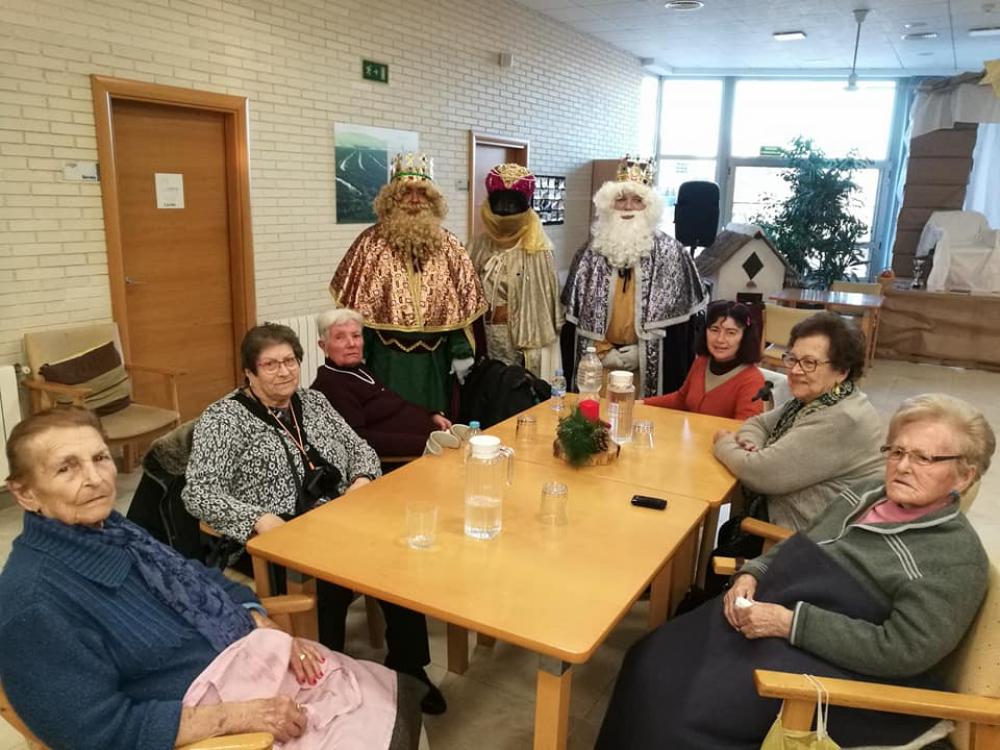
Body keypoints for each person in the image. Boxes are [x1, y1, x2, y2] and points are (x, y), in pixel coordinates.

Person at [0, 407, 417, 750]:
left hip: (244, 658)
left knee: (394, 694)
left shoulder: (112, 530)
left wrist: (260, 619)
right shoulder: (33, 604)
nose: (95, 479)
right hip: (208, 719)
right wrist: (238, 716)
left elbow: (195, 575)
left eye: (100, 458)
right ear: (25, 493)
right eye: (66, 468)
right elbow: (96, 734)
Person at [598, 393, 994, 749]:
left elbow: (902, 650)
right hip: (773, 613)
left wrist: (789, 623)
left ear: (965, 475)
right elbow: (802, 542)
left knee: (683, 712)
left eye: (924, 458)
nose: (903, 467)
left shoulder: (955, 557)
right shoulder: (867, 493)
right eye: (897, 451)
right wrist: (752, 573)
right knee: (649, 656)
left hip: (837, 667)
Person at [183, 323, 445, 714]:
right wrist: (257, 518)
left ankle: (409, 666)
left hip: (335, 515)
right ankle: (328, 676)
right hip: (274, 535)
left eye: (290, 361)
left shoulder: (314, 402)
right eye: (270, 365)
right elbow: (198, 492)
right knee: (331, 575)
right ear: (249, 373)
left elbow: (360, 448)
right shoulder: (223, 420)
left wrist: (362, 478)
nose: (284, 371)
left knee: (396, 554)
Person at [330, 152, 487, 413]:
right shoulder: (369, 244)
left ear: (432, 199)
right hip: (386, 362)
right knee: (387, 422)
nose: (415, 199)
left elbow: (460, 310)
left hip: (434, 364)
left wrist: (460, 352)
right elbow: (354, 311)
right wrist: (358, 353)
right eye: (406, 192)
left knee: (435, 424)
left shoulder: (450, 246)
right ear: (392, 198)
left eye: (422, 193)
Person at [712, 311, 883, 533]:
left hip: (801, 539)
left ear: (841, 371)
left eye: (809, 363)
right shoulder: (817, 400)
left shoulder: (842, 419)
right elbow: (758, 424)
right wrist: (751, 446)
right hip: (789, 521)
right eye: (792, 359)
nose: (794, 370)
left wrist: (723, 442)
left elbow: (760, 473)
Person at [561, 155, 707, 397]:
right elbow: (573, 322)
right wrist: (603, 350)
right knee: (593, 416)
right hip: (599, 366)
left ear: (649, 207)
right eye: (621, 199)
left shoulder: (672, 253)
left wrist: (642, 353)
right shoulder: (589, 254)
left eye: (637, 200)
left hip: (648, 370)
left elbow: (684, 329)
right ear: (609, 204)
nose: (628, 207)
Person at [311, 307, 452, 458]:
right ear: (323, 345)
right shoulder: (331, 384)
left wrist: (430, 416)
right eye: (340, 337)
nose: (352, 343)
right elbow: (359, 440)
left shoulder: (357, 369)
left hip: (431, 440)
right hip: (409, 459)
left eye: (356, 336)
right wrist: (427, 443)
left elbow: (394, 404)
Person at [468, 163, 563, 380]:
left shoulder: (538, 250)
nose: (506, 210)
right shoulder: (478, 246)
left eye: (513, 204)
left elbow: (544, 311)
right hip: (484, 336)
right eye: (500, 203)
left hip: (522, 342)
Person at [643, 299, 766, 420]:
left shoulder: (753, 380)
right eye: (714, 330)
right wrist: (641, 403)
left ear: (745, 337)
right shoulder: (702, 361)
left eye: (731, 333)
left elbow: (745, 428)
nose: (720, 339)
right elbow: (681, 399)